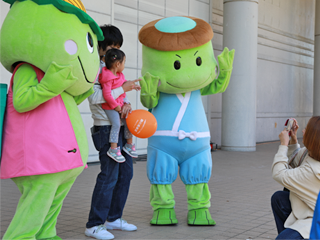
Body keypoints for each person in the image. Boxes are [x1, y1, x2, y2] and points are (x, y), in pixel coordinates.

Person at [85, 24, 139, 240]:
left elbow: (119, 96)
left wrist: (125, 104)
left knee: (126, 173)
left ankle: (114, 218)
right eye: (110, 48)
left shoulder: (114, 69)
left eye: (117, 48)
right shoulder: (94, 69)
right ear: (100, 48)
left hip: (120, 124)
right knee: (108, 176)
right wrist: (121, 90)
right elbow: (94, 98)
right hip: (105, 129)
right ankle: (94, 224)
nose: (114, 53)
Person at [271, 117, 320, 240]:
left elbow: (279, 174)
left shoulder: (312, 172)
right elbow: (296, 158)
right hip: (307, 210)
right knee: (279, 199)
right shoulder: (310, 153)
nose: (303, 131)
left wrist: (284, 144)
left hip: (313, 221)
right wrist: (293, 140)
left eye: (307, 130)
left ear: (314, 138)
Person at [99, 48, 140, 163]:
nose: (124, 65)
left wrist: (133, 85)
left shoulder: (119, 74)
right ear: (118, 64)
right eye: (124, 62)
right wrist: (115, 106)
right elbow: (106, 95)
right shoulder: (107, 78)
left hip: (119, 104)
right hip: (110, 106)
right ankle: (113, 149)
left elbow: (124, 83)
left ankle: (129, 144)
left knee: (129, 120)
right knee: (116, 123)